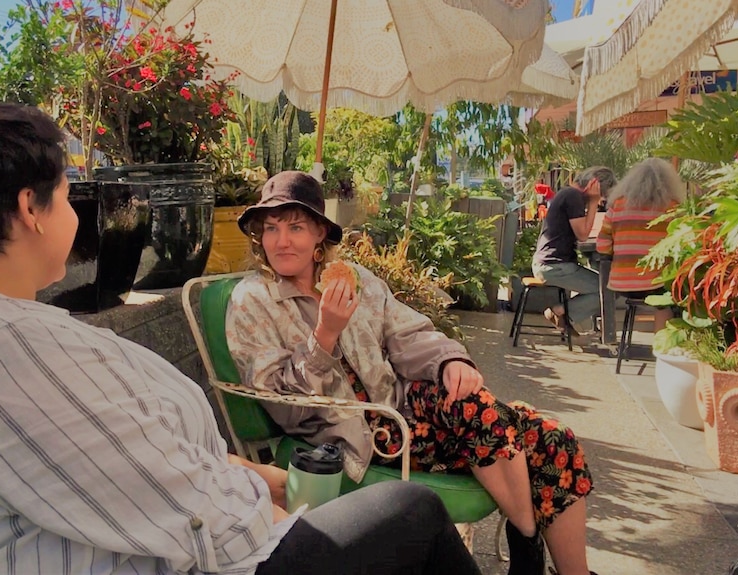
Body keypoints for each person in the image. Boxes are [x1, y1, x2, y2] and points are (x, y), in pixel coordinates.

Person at [0, 102, 483, 575]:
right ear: (29, 210)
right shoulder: (4, 354)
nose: (77, 212)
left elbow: (132, 461)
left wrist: (262, 476)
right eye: (66, 194)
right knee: (413, 509)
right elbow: (176, 506)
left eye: (298, 226)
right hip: (210, 550)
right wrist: (278, 508)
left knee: (480, 436)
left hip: (243, 482)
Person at [226, 170, 599, 575]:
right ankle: (527, 552)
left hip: (402, 407)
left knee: (548, 436)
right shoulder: (253, 302)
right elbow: (282, 404)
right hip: (362, 435)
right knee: (499, 421)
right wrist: (324, 336)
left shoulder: (357, 280)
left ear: (319, 234)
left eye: (295, 227)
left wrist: (450, 361)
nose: (282, 241)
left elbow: (408, 334)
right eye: (272, 229)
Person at [596, 157, 685, 332]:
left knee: (662, 298)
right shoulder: (673, 208)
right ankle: (662, 348)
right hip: (658, 283)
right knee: (665, 303)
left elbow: (602, 246)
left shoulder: (618, 206)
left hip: (623, 285)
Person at [532, 167, 617, 335]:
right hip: (555, 266)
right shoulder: (573, 197)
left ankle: (566, 316)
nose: (601, 200)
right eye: (602, 195)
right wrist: (592, 202)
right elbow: (583, 235)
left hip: (551, 263)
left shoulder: (568, 194)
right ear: (595, 185)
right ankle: (560, 312)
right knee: (609, 288)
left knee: (605, 286)